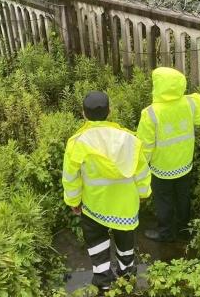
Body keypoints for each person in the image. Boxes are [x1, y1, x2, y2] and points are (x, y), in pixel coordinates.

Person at [62, 91, 152, 293]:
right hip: (125, 205)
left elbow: (70, 177)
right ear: (109, 112)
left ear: (83, 114)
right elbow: (142, 172)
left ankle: (103, 280)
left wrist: (73, 201)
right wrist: (143, 194)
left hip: (94, 205)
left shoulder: (77, 143)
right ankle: (127, 275)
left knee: (96, 241)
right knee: (126, 241)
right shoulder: (129, 139)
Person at [137, 67, 200, 242]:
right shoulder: (190, 103)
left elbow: (144, 146)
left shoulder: (150, 113)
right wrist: (198, 98)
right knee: (183, 198)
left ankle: (166, 233)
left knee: (164, 201)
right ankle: (184, 231)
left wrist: (141, 169)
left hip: (161, 167)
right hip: (184, 163)